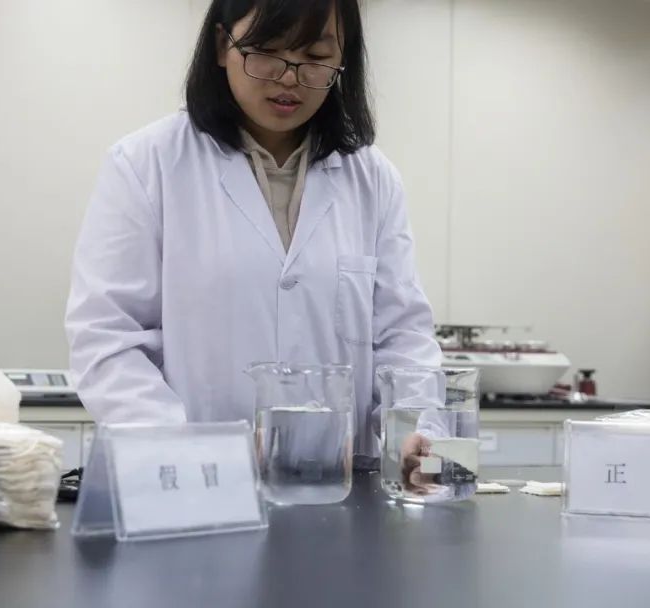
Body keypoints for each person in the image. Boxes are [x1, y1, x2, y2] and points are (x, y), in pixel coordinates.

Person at [65, 0, 440, 459]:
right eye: (266, 51)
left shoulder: (373, 178)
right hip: (196, 477)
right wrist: (177, 447)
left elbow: (403, 337)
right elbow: (108, 337)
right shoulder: (146, 165)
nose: (289, 77)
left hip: (339, 482)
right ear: (222, 45)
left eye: (316, 57)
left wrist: (412, 433)